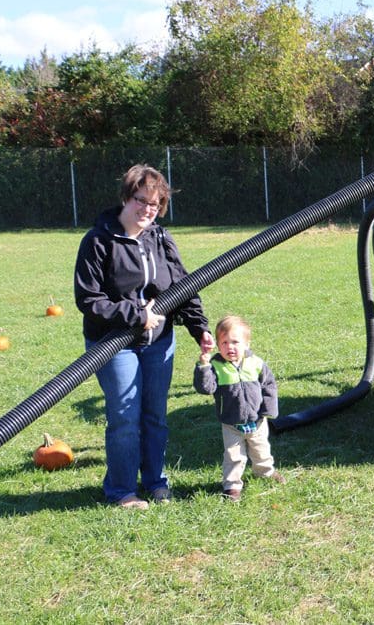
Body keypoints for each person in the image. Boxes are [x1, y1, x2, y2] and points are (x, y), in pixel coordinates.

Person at [75, 164, 215, 510]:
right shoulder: (99, 240)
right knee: (125, 416)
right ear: (126, 197)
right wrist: (137, 314)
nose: (147, 210)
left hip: (159, 343)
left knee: (155, 414)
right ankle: (121, 490)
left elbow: (184, 287)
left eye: (155, 205)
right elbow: (88, 300)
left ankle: (155, 482)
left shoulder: (160, 238)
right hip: (113, 344)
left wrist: (200, 329)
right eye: (142, 201)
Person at [194, 315, 285, 501]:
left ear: (247, 343)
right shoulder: (215, 366)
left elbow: (269, 386)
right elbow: (206, 388)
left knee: (261, 450)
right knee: (234, 456)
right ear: (218, 345)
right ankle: (232, 486)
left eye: (235, 342)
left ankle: (265, 472)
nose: (230, 347)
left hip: (257, 420)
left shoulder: (256, 363)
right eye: (224, 342)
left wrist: (268, 410)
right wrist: (203, 366)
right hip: (230, 422)